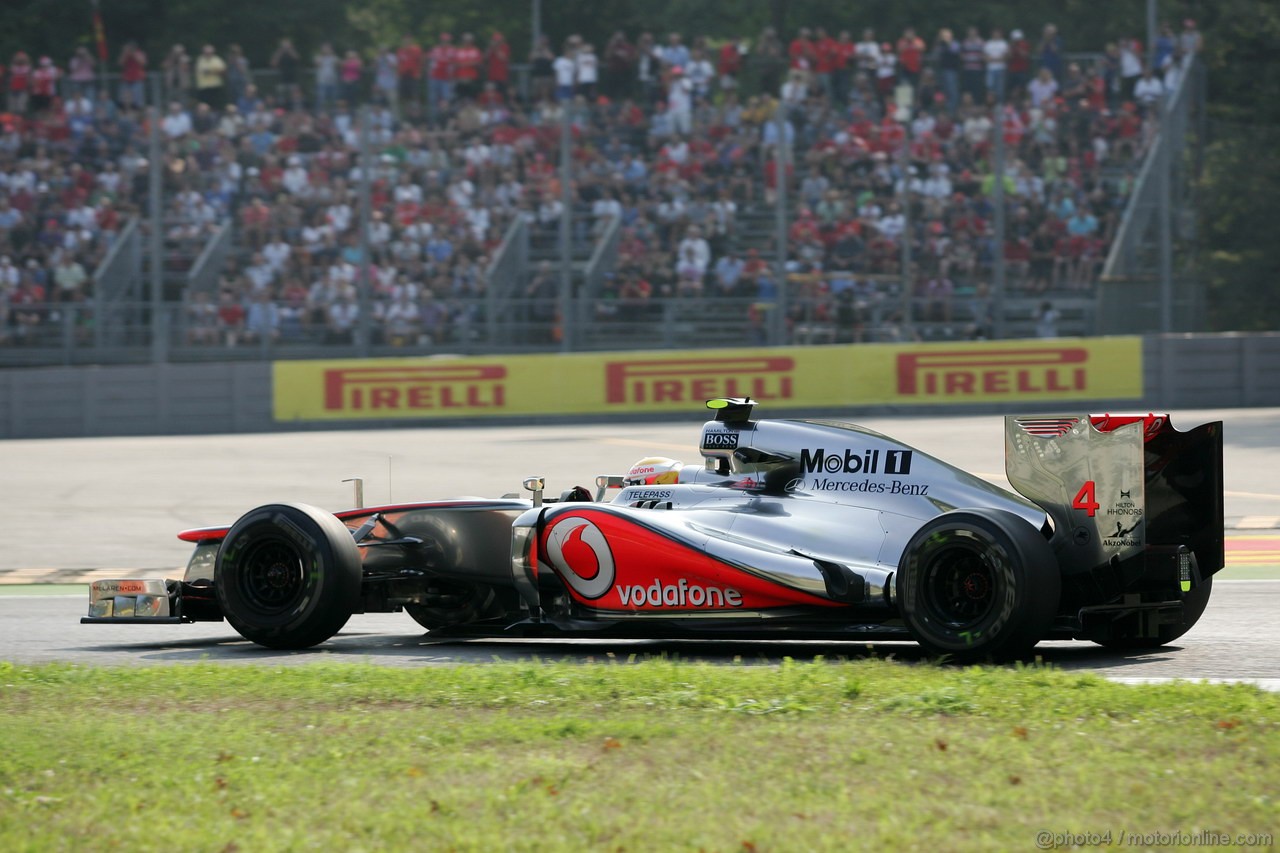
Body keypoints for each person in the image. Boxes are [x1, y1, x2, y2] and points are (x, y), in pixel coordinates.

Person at [194, 44, 227, 109]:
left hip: (215, 86)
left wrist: (210, 72)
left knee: (215, 105)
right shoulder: (200, 59)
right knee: (204, 105)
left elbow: (223, 72)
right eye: (206, 52)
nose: (207, 54)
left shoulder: (217, 60)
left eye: (209, 53)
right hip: (203, 87)